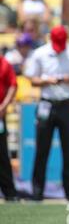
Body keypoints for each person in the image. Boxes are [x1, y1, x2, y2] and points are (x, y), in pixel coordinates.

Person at [24, 25, 69, 201]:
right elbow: (31, 78)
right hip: (46, 103)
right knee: (41, 149)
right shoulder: (40, 53)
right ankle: (37, 192)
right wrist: (46, 81)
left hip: (66, 104)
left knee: (68, 150)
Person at [0, 54, 18, 201]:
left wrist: (3, 106)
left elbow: (13, 84)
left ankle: (9, 193)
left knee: (2, 154)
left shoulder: (4, 64)